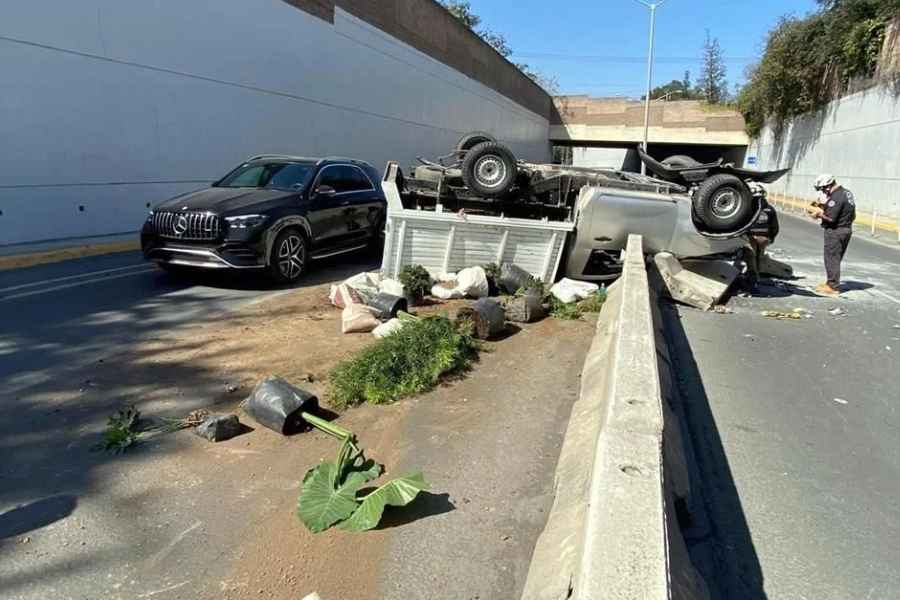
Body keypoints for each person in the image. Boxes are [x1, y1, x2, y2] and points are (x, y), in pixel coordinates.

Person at [807, 174, 856, 295]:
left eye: (823, 189)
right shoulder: (846, 193)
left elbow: (830, 218)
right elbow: (846, 212)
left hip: (836, 231)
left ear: (828, 185)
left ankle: (833, 286)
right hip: (846, 229)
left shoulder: (836, 197)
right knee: (835, 257)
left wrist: (817, 214)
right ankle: (831, 282)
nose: (823, 192)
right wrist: (822, 206)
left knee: (831, 258)